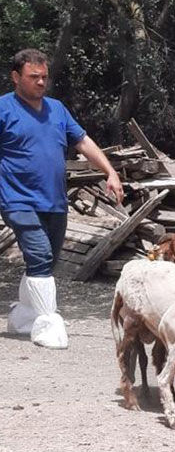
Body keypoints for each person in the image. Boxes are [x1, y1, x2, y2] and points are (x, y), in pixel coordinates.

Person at [2, 48, 124, 349]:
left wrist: (110, 171)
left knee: (46, 261)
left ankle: (23, 315)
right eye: (34, 77)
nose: (41, 82)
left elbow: (82, 142)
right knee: (41, 256)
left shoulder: (57, 109)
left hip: (54, 200)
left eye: (44, 77)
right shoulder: (3, 109)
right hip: (17, 199)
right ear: (16, 77)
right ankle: (47, 324)